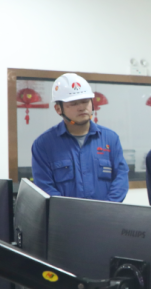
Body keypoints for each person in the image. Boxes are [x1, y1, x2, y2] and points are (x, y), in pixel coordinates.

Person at [31, 73, 128, 202]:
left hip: (106, 213)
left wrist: (106, 209)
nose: (82, 107)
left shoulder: (110, 138)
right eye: (74, 103)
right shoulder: (44, 145)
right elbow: (45, 187)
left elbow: (121, 179)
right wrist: (70, 211)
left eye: (85, 101)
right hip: (64, 214)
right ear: (58, 109)